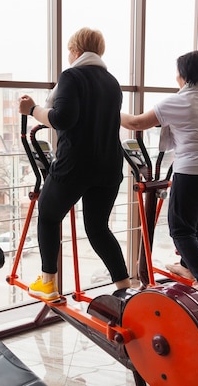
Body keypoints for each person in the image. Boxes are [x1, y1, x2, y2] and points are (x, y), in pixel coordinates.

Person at [18, 27, 131, 301]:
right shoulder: (112, 82)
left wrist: (32, 110)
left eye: (70, 50)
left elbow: (63, 119)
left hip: (75, 166)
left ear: (76, 50)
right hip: (109, 165)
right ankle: (125, 288)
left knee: (48, 214)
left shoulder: (72, 75)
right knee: (97, 227)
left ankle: (48, 283)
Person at [120, 49, 198, 299]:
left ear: (182, 74)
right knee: (195, 226)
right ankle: (187, 266)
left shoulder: (179, 101)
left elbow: (136, 123)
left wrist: (109, 111)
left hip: (196, 173)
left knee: (181, 230)